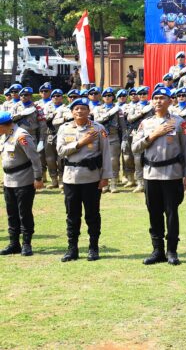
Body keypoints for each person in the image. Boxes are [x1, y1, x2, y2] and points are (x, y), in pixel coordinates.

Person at [132, 88, 186, 266]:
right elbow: (135, 147)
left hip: (172, 174)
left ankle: (172, 251)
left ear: (170, 101)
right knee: (154, 212)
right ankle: (157, 250)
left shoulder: (179, 122)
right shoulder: (146, 123)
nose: (158, 101)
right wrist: (153, 135)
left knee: (172, 213)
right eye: (155, 98)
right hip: (151, 175)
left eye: (162, 98)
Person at [55, 98, 113, 262]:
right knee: (72, 215)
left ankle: (93, 248)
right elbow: (60, 151)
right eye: (76, 108)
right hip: (71, 178)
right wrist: (80, 143)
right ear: (72, 112)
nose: (79, 111)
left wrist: (105, 177)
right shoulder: (64, 128)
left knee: (92, 215)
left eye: (83, 108)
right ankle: (72, 249)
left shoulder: (98, 128)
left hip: (91, 178)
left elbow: (106, 153)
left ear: (89, 111)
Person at [0, 111, 43, 257]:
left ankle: (26, 244)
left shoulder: (21, 135)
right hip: (9, 180)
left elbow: (35, 158)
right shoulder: (4, 136)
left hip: (24, 180)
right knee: (11, 213)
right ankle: (14, 244)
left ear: (3, 125)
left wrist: (38, 178)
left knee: (24, 213)